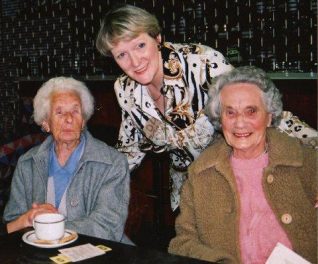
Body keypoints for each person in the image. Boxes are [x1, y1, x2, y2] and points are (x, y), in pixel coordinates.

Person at [96, 4, 317, 211]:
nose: (134, 62)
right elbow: (129, 148)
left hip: (243, 174)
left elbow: (261, 114)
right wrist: (93, 183)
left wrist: (313, 159)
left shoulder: (202, 62)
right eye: (122, 55)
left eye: (140, 45)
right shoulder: (124, 89)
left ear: (158, 38)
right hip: (193, 188)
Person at [168, 66, 317, 263]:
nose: (240, 123)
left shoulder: (306, 163)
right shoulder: (201, 173)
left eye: (251, 112)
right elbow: (182, 244)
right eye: (230, 113)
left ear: (269, 116)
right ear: (220, 119)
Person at [3, 77, 131, 243]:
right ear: (46, 123)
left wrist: (46, 228)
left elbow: (106, 228)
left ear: (83, 120)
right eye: (59, 112)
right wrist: (27, 219)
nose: (69, 119)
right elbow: (14, 220)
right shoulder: (27, 163)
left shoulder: (113, 162)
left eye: (75, 111)